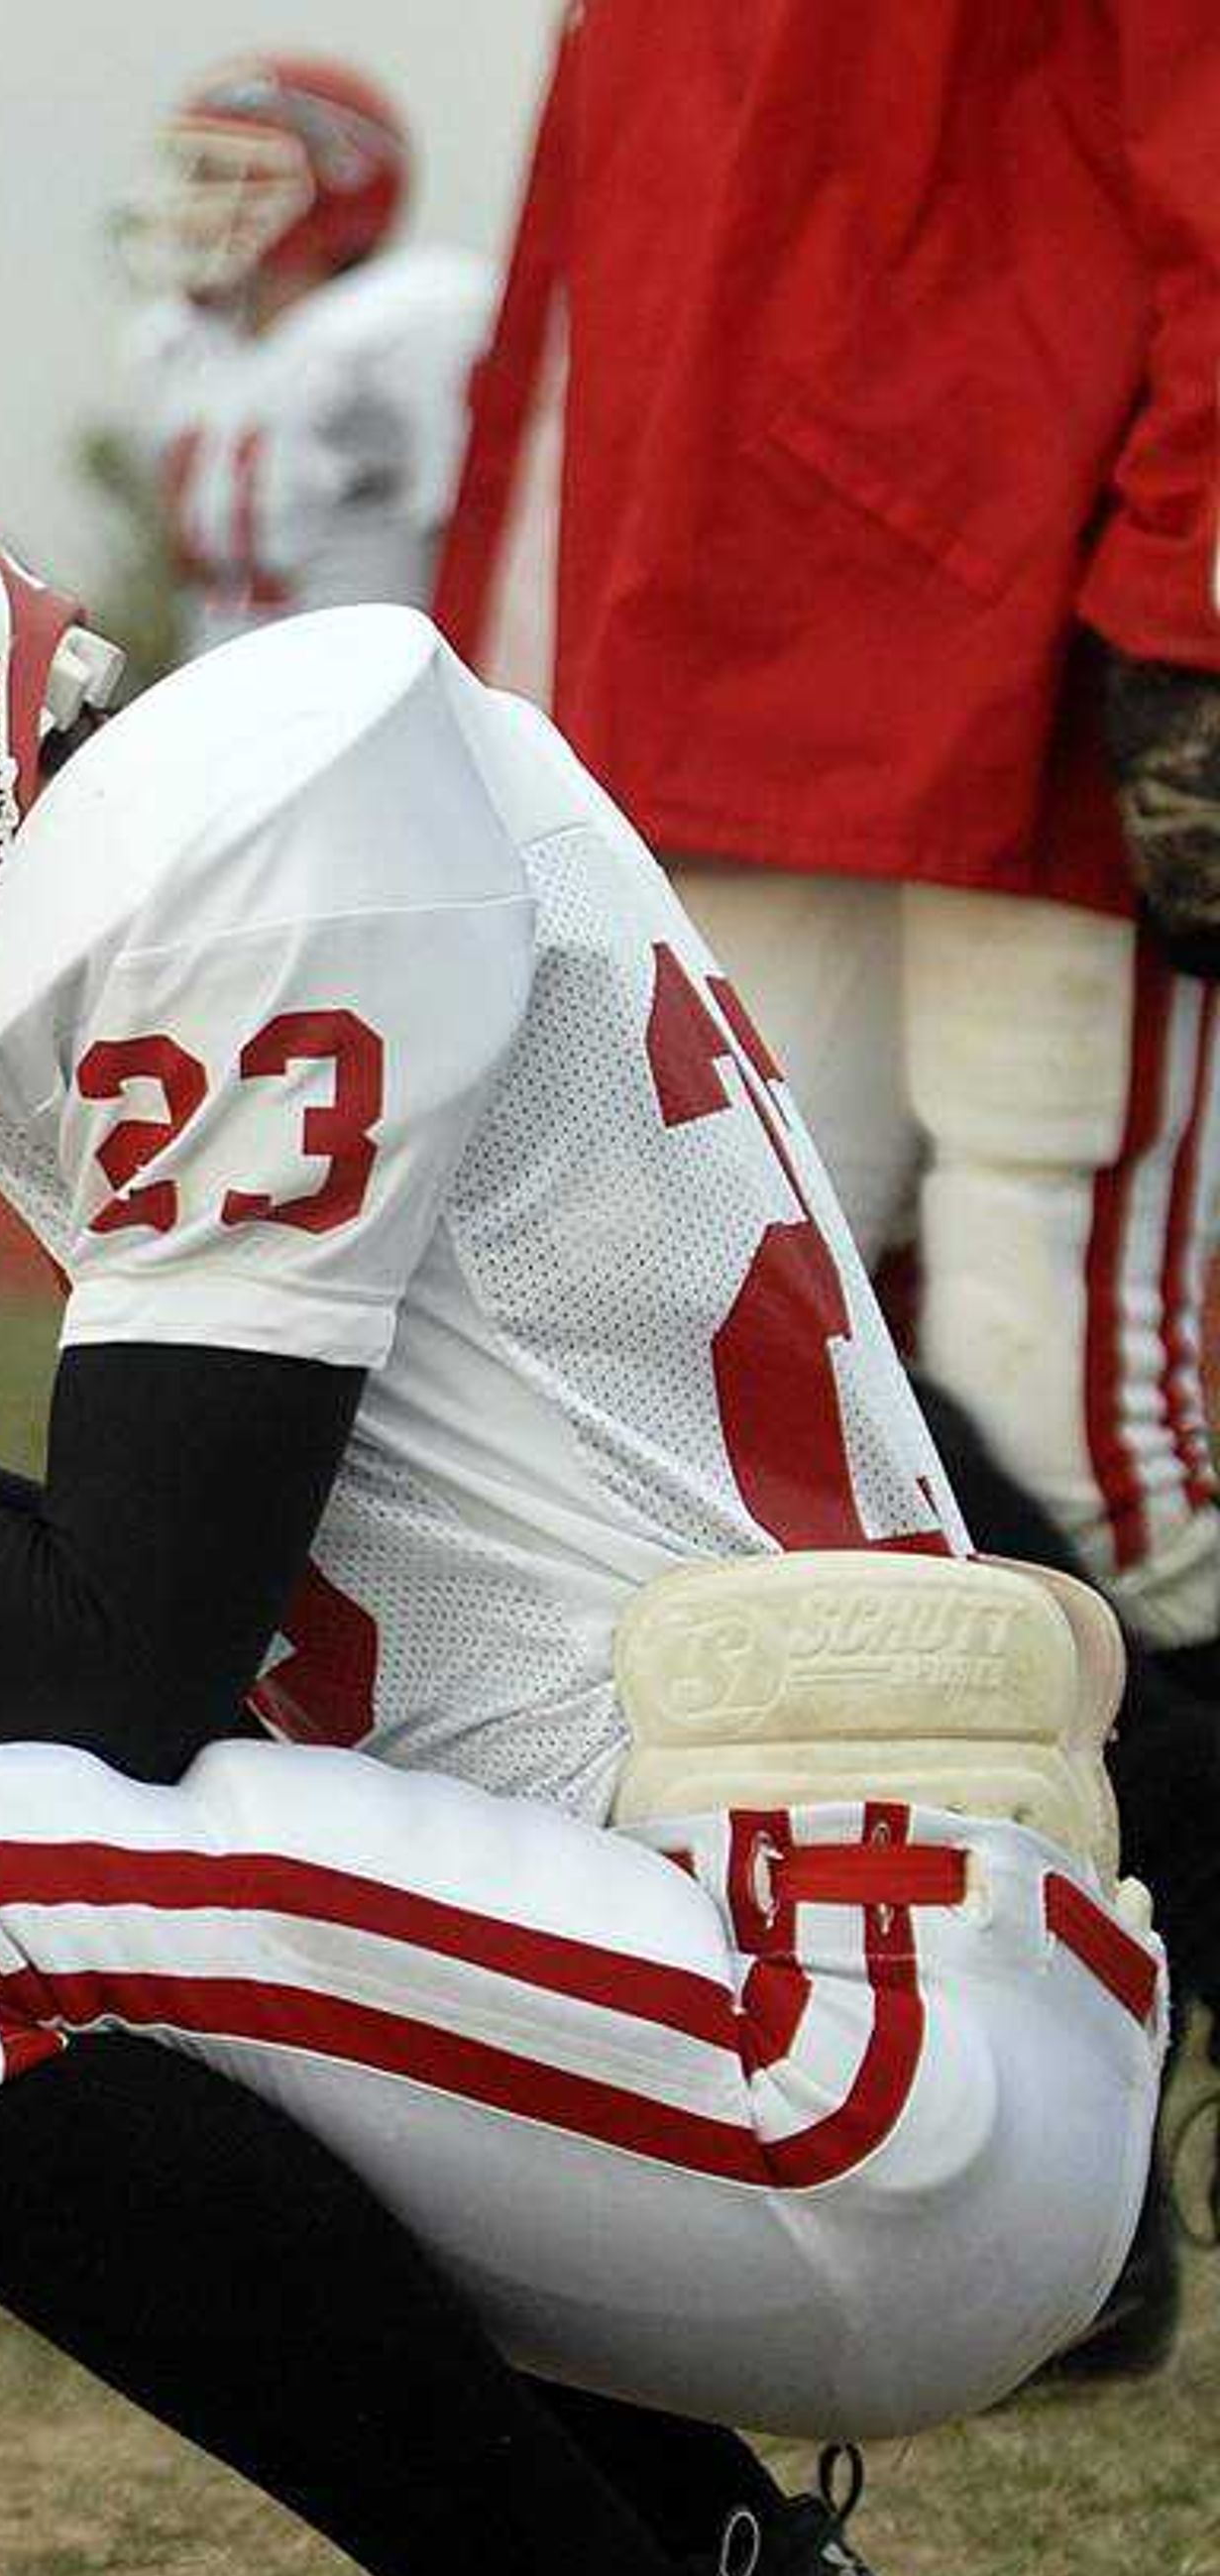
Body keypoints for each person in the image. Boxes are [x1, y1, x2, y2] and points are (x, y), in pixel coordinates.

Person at [0, 457, 1159, 2576]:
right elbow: (132, 1616)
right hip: (792, 1943)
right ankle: (720, 2566)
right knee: (9, 1878)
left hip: (836, 2017)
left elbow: (106, 1666)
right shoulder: (310, 794)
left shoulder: (243, 835)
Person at [433, 0, 1220, 2371]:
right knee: (782, 1461)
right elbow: (597, 277)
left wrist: (1188, 592)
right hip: (703, 663)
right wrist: (496, 690)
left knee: (1092, 1444)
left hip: (1023, 652)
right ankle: (1019, 2134)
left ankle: (1077, 2095)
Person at [112, 54, 490, 660]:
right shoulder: (185, 346)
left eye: (224, 175)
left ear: (334, 187)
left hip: (371, 699)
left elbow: (483, 543)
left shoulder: (402, 324)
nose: (192, 202)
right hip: (225, 696)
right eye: (192, 173)